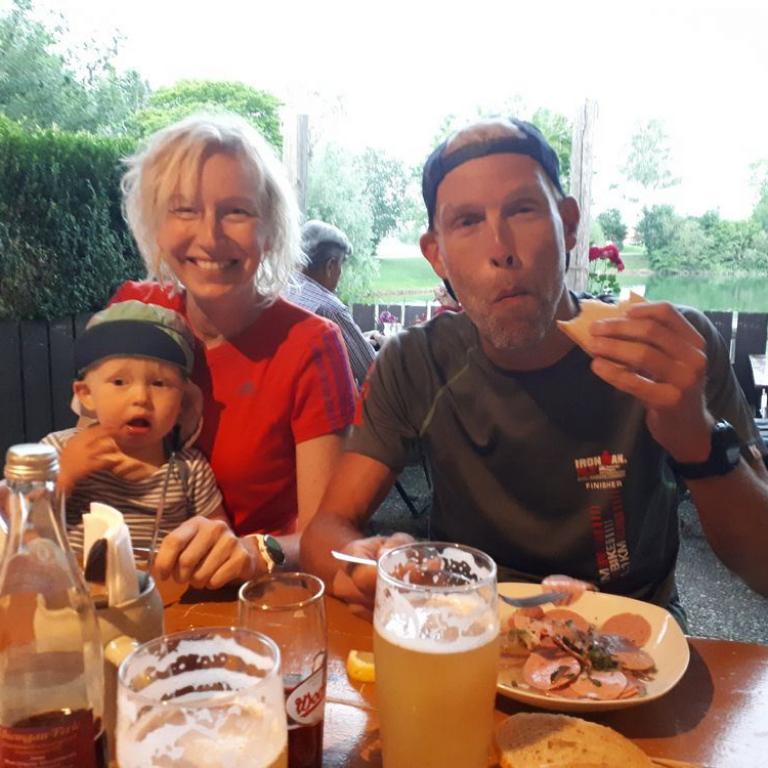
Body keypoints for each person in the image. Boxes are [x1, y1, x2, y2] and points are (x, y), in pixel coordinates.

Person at [301, 117, 768, 625]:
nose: (500, 249)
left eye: (523, 210)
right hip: (468, 625)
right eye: (467, 222)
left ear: (568, 224)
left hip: (633, 627)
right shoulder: (415, 362)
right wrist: (363, 565)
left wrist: (697, 438)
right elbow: (326, 530)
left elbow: (762, 567)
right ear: (436, 254)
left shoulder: (666, 350)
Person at [111, 113, 357, 584]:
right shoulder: (134, 312)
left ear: (270, 230)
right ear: (156, 223)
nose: (209, 237)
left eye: (236, 212)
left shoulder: (312, 345)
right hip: (135, 589)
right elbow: (91, 448)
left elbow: (325, 536)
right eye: (185, 210)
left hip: (257, 598)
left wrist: (255, 553)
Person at [40, 301, 258, 578]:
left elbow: (219, 540)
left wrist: (213, 548)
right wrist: (63, 477)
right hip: (71, 592)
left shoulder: (189, 469)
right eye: (119, 382)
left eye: (159, 384)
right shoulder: (57, 451)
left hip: (160, 595)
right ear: (86, 394)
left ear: (182, 402)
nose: (141, 398)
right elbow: (18, 528)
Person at [284, 220, 376, 387]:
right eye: (341, 265)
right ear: (330, 266)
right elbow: (373, 373)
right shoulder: (329, 308)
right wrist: (388, 346)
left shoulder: (280, 292)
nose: (340, 273)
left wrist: (360, 341)